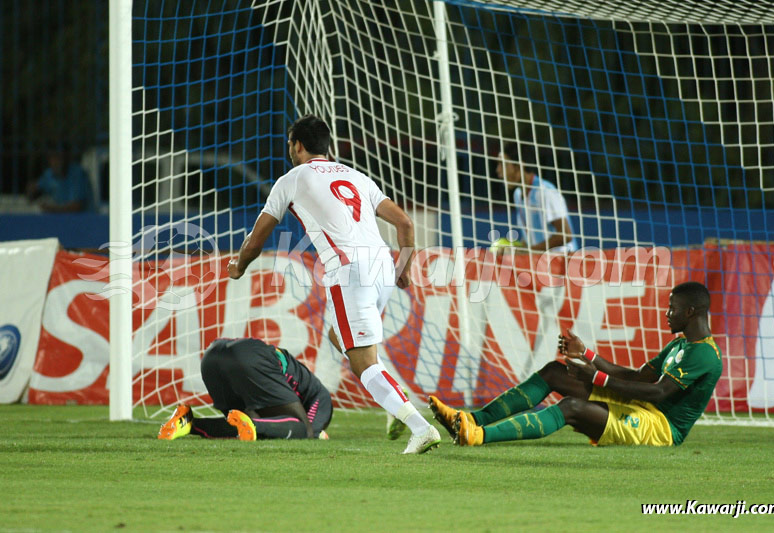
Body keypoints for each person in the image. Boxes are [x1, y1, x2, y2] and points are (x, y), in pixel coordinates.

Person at [226, 114, 441, 454]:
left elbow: (257, 238)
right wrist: (403, 268)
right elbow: (405, 223)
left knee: (363, 362)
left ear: (297, 145)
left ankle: (420, 427)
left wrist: (238, 266)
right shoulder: (357, 176)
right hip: (383, 266)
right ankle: (395, 403)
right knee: (338, 336)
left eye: (290, 145)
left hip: (349, 271)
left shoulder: (293, 178)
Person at [429, 281, 722, 447]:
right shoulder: (679, 344)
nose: (667, 313)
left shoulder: (705, 354)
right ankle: (472, 420)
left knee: (570, 407)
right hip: (642, 406)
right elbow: (638, 377)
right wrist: (587, 355)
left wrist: (596, 378)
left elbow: (659, 393)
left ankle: (477, 437)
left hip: (660, 428)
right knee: (555, 372)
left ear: (691, 311)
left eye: (672, 308)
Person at [158, 338, 332, 440]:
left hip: (212, 355)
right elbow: (310, 432)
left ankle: (188, 423)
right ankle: (193, 424)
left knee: (239, 424)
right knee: (301, 429)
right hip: (251, 358)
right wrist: (314, 433)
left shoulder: (278, 390)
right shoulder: (321, 397)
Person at [494, 142, 577, 253]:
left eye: (503, 164)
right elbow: (531, 239)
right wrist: (514, 249)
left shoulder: (545, 192)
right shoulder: (518, 195)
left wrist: (528, 251)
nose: (498, 170)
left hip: (563, 264)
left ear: (519, 165)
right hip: (542, 264)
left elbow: (565, 235)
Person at [27, 146, 93, 213]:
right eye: (52, 158)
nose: (55, 161)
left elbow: (77, 207)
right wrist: (32, 191)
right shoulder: (49, 174)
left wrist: (52, 209)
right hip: (59, 219)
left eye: (58, 157)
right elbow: (34, 191)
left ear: (66, 158)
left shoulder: (77, 174)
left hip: (81, 220)